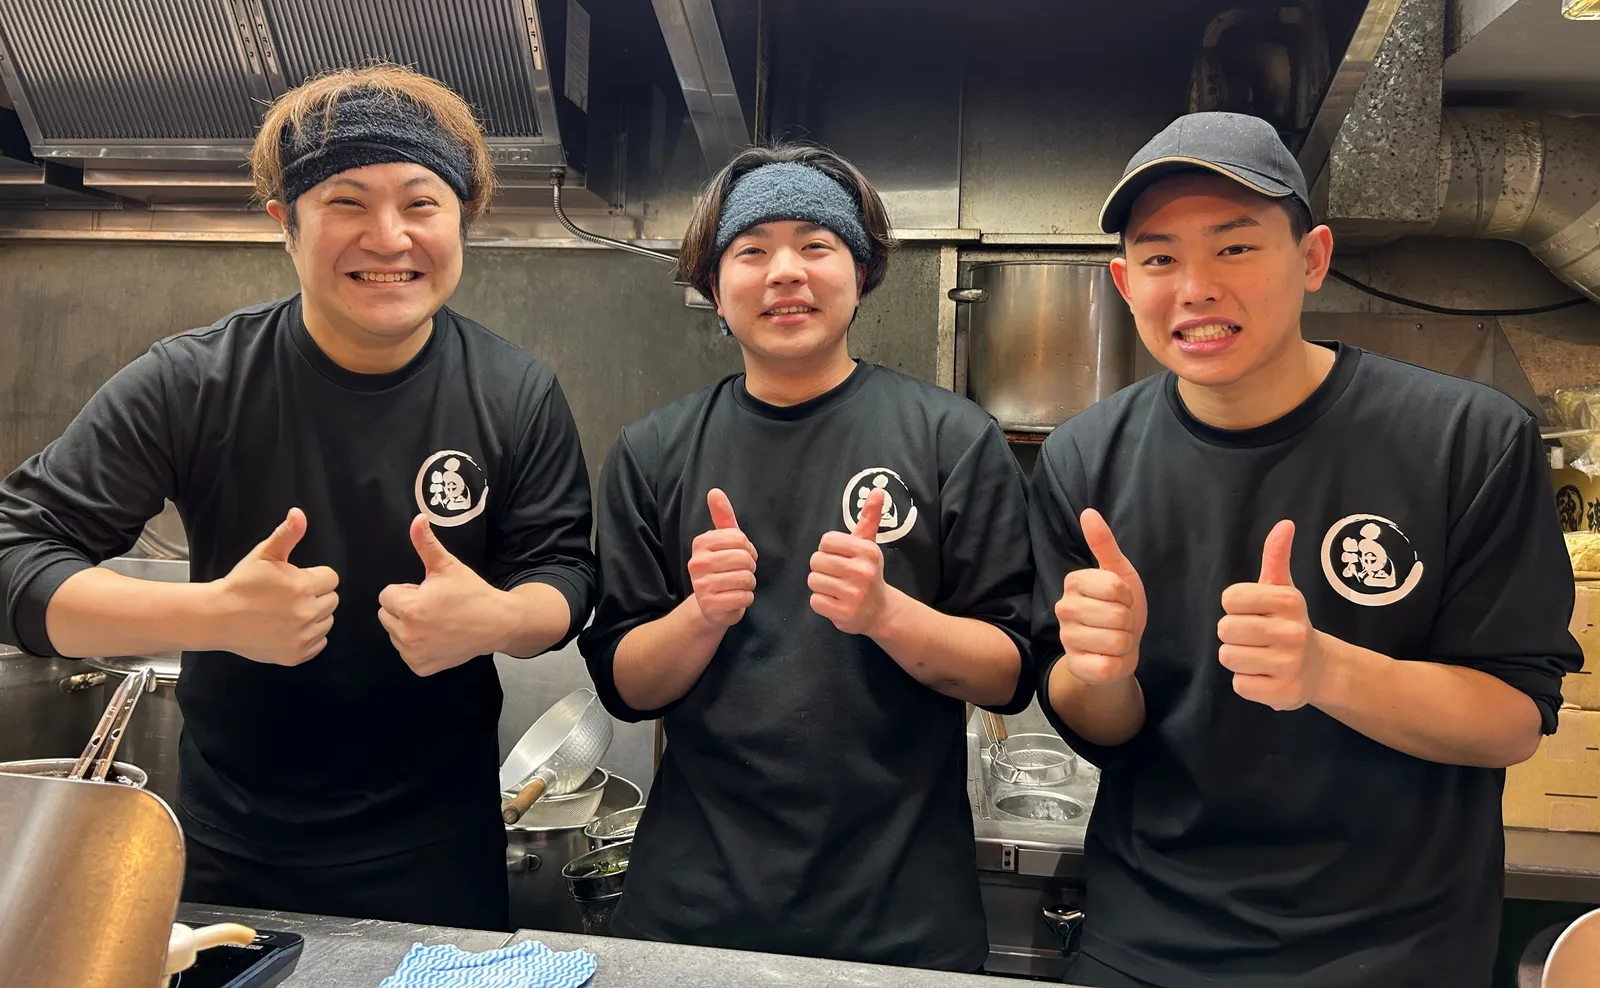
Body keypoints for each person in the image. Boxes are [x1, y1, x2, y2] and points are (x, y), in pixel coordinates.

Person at [0, 65, 596, 930]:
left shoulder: (514, 392)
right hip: (229, 852)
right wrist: (210, 615)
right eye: (346, 202)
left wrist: (501, 618)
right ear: (287, 223)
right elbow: (14, 558)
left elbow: (564, 574)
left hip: (440, 857)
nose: (389, 238)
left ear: (461, 216)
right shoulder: (193, 383)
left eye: (420, 203)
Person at [1030, 111, 1585, 988]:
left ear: (1314, 258)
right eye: (1160, 256)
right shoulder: (1083, 459)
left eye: (1237, 248)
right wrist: (1098, 674)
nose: (1195, 288)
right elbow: (1104, 732)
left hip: (1394, 952)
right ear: (1124, 282)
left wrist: (1327, 671)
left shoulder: (1466, 440)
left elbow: (1514, 719)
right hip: (1146, 945)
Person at [579, 144, 1033, 971]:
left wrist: (887, 615)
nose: (785, 271)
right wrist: (701, 615)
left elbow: (1008, 672)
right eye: (751, 251)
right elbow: (626, 688)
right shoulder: (654, 451)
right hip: (691, 913)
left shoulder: (952, 440)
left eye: (816, 246)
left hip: (901, 918)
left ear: (859, 274)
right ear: (715, 289)